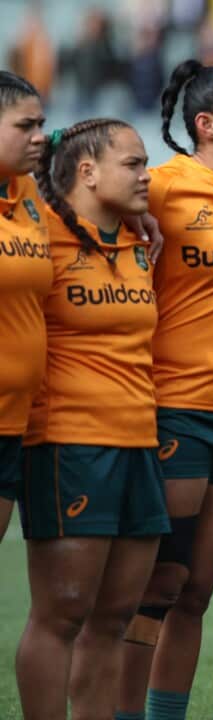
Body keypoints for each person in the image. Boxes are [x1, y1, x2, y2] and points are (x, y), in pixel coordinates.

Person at [115, 59, 213, 720]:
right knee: (158, 584)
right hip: (174, 408)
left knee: (198, 590)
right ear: (205, 125)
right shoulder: (163, 186)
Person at [17, 117, 162, 719]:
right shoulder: (37, 231)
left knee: (113, 618)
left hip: (141, 442)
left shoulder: (137, 241)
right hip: (68, 445)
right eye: (133, 163)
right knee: (64, 612)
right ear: (87, 171)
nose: (146, 176)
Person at [0, 71, 49, 547]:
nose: (39, 137)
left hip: (14, 422)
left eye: (43, 125)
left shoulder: (27, 194)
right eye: (25, 125)